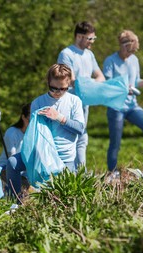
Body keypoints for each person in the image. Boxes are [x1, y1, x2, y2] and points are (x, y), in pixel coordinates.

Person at [6, 64, 85, 196]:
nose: (58, 92)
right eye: (53, 88)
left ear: (69, 85)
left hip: (64, 157)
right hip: (41, 155)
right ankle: (15, 201)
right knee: (12, 163)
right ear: (48, 82)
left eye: (63, 89)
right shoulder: (38, 102)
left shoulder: (74, 101)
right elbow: (33, 133)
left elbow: (80, 129)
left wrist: (59, 118)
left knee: (66, 196)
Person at [103, 30, 143, 177]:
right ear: (123, 46)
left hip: (132, 106)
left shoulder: (134, 60)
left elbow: (136, 82)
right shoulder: (110, 61)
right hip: (116, 107)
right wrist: (123, 88)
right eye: (130, 50)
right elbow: (106, 84)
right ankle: (112, 173)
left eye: (134, 51)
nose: (131, 54)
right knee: (115, 143)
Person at [57, 21, 105, 169]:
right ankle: (67, 174)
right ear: (79, 36)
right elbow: (69, 81)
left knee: (83, 138)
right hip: (70, 103)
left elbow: (100, 77)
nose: (92, 42)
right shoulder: (67, 54)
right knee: (70, 137)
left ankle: (80, 174)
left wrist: (88, 84)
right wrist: (89, 83)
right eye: (90, 38)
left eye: (93, 39)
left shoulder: (89, 55)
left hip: (85, 103)